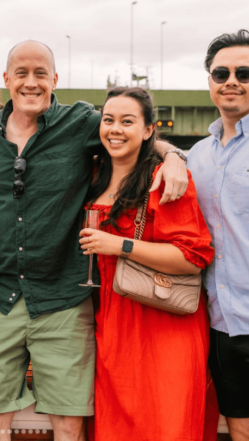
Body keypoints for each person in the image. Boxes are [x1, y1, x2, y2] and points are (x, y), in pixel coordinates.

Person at [0, 40, 189, 441]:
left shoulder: (81, 122)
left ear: (55, 80)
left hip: (63, 298)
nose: (31, 83)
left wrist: (174, 157)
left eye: (41, 74)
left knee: (70, 425)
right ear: (5, 80)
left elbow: (134, 134)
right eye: (21, 73)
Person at [79, 86, 218, 441]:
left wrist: (119, 245)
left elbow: (193, 257)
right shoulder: (91, 175)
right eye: (108, 120)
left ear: (147, 130)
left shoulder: (165, 182)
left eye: (128, 121)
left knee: (165, 423)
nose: (115, 129)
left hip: (163, 324)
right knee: (115, 426)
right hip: (111, 323)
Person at [188, 30, 249, 441]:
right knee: (243, 431)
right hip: (221, 322)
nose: (231, 80)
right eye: (221, 72)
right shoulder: (197, 155)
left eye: (244, 72)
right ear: (209, 80)